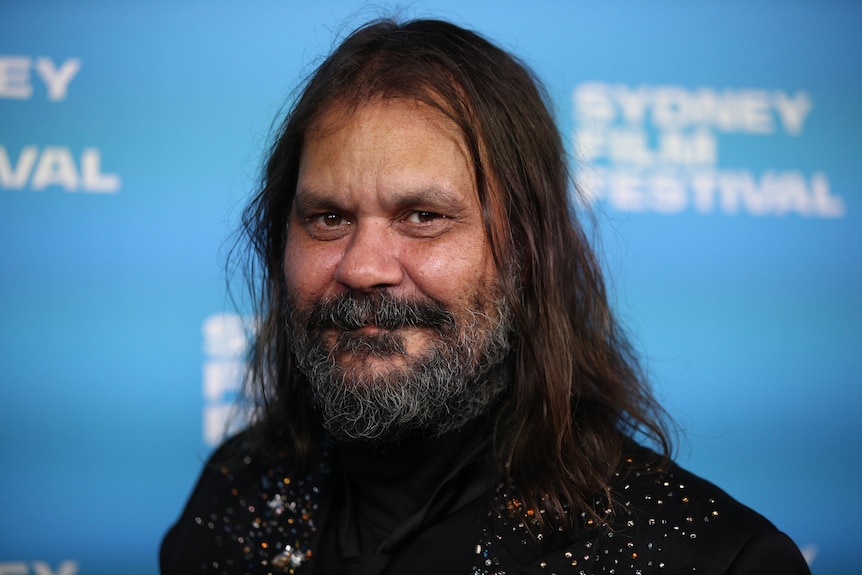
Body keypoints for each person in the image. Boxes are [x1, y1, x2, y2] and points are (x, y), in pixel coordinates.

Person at [160, 18, 810, 575]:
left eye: (422, 216)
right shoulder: (233, 496)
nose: (361, 268)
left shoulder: (707, 558)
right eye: (328, 218)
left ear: (528, 249)